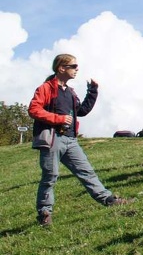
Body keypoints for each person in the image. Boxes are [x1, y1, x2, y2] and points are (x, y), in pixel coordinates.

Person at [28, 54, 129, 227]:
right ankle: (44, 214)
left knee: (86, 171)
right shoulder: (46, 88)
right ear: (61, 68)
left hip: (70, 140)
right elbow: (33, 109)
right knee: (50, 177)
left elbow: (81, 111)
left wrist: (93, 91)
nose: (77, 69)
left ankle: (109, 200)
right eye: (74, 66)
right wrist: (57, 119)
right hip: (53, 140)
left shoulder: (70, 91)